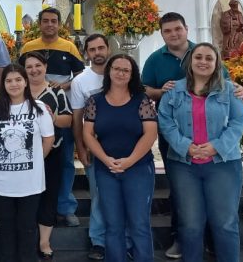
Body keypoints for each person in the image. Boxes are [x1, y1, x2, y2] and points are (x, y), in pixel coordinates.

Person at [141, 12, 243, 259]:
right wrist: (185, 146)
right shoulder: (168, 80)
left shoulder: (228, 89)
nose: (203, 61)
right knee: (190, 222)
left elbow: (239, 120)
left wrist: (216, 146)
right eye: (199, 58)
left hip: (222, 162)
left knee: (225, 222)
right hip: (183, 160)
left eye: (209, 58)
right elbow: (163, 119)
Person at [83, 54, 158, 262]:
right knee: (113, 225)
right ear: (109, 71)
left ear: (132, 74)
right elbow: (87, 134)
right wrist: (106, 160)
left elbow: (150, 133)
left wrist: (130, 160)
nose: (120, 73)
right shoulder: (95, 101)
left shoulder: (141, 100)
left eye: (126, 70)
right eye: (116, 68)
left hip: (138, 169)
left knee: (139, 224)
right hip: (106, 169)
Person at [19, 7, 84, 232]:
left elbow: (80, 76)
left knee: (65, 162)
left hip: (60, 113)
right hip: (31, 117)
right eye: (45, 21)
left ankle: (65, 208)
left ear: (59, 24)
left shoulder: (69, 47)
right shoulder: (29, 47)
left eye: (53, 21)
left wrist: (63, 86)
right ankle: (36, 206)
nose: (49, 24)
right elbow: (19, 76)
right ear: (39, 23)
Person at [0, 64, 55, 262]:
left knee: (28, 227)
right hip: (3, 182)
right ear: (3, 84)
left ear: (25, 82)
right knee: (5, 227)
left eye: (18, 79)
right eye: (8, 80)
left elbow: (48, 138)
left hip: (30, 182)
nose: (13, 84)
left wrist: (37, 158)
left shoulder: (38, 108)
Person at [22, 51, 73, 261]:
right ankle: (26, 237)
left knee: (48, 195)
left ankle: (44, 241)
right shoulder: (18, 91)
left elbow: (68, 120)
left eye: (38, 65)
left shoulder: (56, 92)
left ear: (45, 67)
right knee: (25, 197)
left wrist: (52, 118)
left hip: (51, 153)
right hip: (22, 156)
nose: (34, 70)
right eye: (29, 67)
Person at [69, 34, 111, 260]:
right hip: (94, 146)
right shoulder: (80, 81)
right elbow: (77, 119)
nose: (97, 53)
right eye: (92, 49)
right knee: (99, 195)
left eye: (101, 48)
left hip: (124, 145)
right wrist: (81, 148)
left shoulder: (121, 72)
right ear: (86, 53)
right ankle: (99, 241)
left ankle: (123, 239)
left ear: (108, 49)